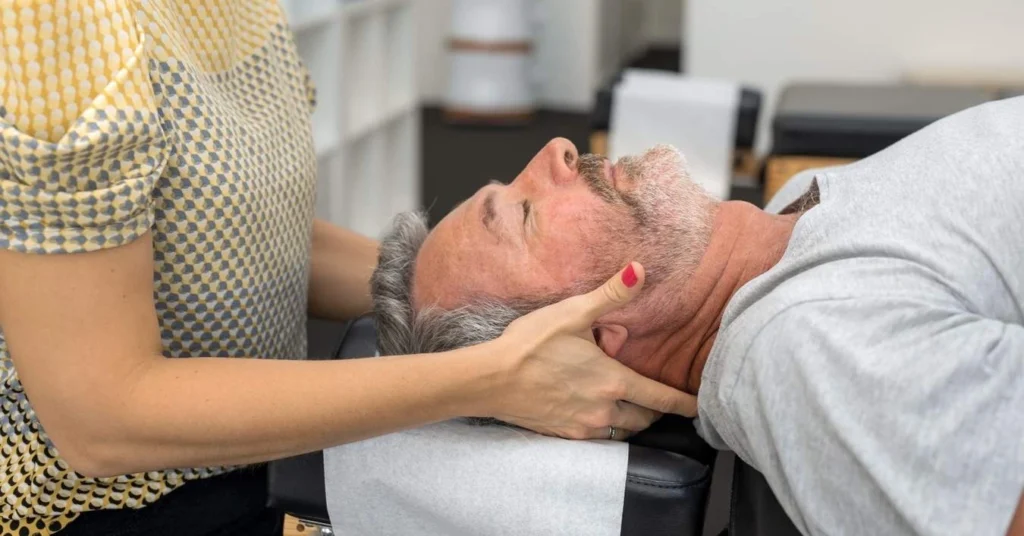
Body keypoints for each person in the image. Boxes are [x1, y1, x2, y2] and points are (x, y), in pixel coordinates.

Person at [0, 2, 697, 534]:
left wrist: (476, 303)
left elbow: (228, 239)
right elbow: (100, 419)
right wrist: (491, 376)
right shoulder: (57, 21)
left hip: (249, 464)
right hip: (92, 511)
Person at [371, 97, 1024, 535]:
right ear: (588, 341)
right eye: (524, 213)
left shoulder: (787, 215)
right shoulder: (808, 353)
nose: (556, 151)